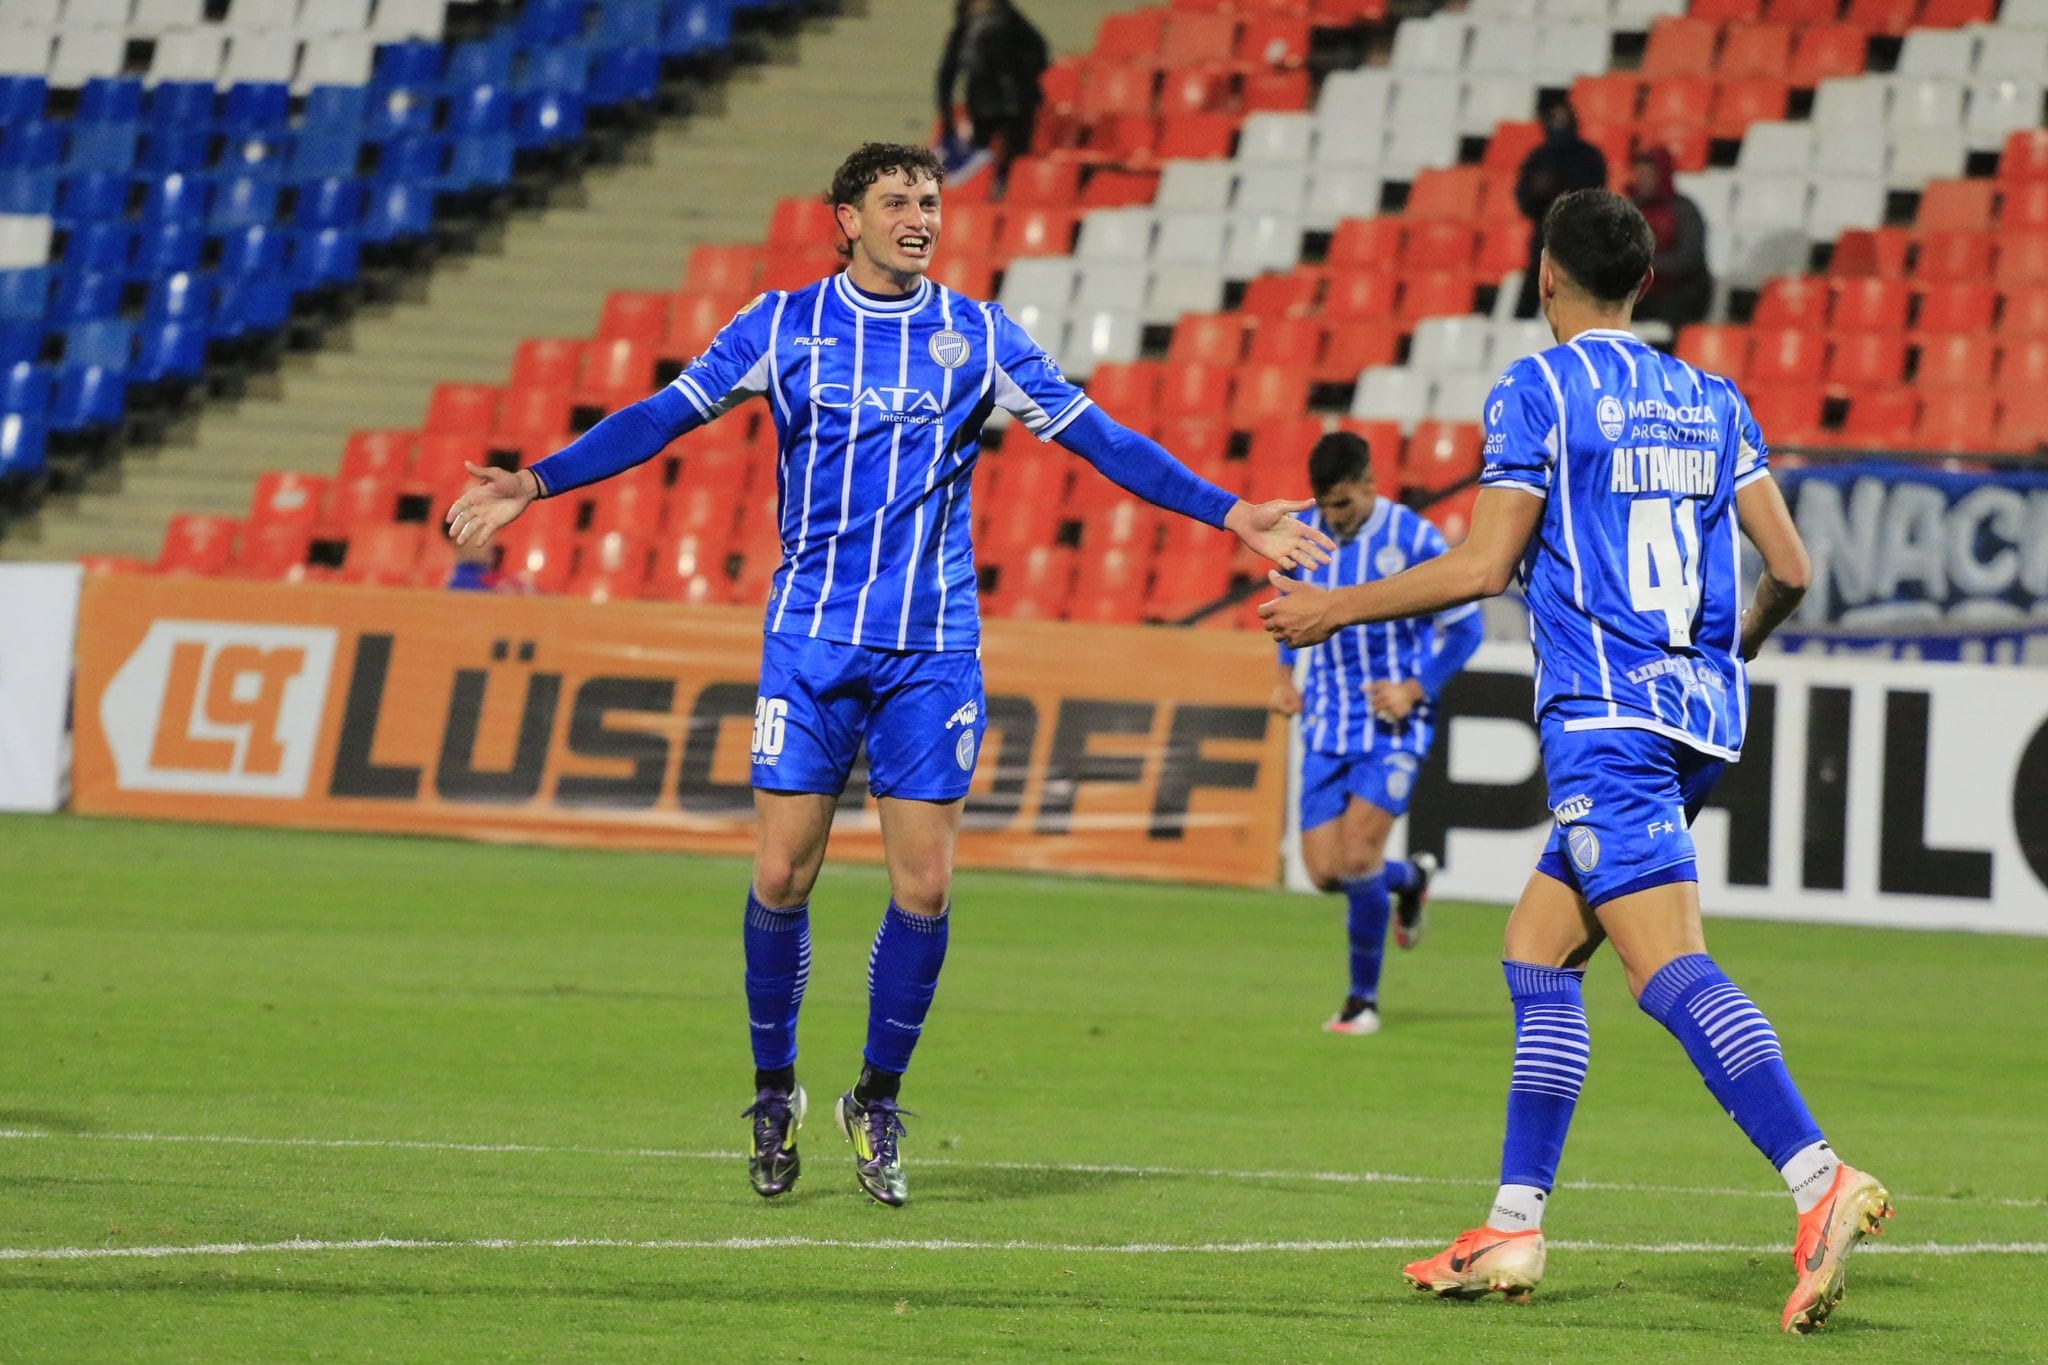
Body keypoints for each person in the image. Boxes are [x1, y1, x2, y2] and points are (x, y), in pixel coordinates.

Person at [446, 143, 1332, 1210]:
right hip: (811, 646)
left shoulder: (977, 337)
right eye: (897, 201)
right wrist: (537, 482)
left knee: (925, 886)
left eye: (930, 201)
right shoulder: (780, 326)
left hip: (931, 653)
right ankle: (773, 1093)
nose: (919, 216)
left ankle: (875, 1098)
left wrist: (1229, 512)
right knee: (781, 878)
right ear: (844, 219)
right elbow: (661, 417)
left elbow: (1103, 440)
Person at [1259, 189, 1891, 1334]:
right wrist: (1715, 659)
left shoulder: (1536, 390)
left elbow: (1483, 566)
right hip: (1696, 721)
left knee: (1665, 972)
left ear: (1543, 276)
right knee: (1537, 951)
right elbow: (1789, 566)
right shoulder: (1710, 396)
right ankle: (1511, 1224)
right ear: (1642, 284)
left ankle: (1817, 1179)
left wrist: (1332, 610)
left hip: (1605, 721)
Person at [1267, 431, 1482, 1036]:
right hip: (1326, 723)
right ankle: (1410, 881)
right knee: (1324, 872)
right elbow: (1283, 610)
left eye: (1341, 504)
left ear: (1368, 483)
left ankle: (1362, 1001)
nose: (1331, 519)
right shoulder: (1308, 536)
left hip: (1392, 724)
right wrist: (1286, 678)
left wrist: (1415, 689)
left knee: (1358, 856)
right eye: (1324, 506)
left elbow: (1466, 630)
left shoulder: (1414, 538)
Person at [935, 0, 1049, 196]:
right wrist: (946, 113)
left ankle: (1010, 194)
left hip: (1015, 101)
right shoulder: (967, 28)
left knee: (1017, 156)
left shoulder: (1012, 22)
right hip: (985, 102)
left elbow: (1039, 54)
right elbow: (948, 73)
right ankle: (985, 196)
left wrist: (1021, 77)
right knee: (981, 156)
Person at [1512, 102, 1607, 319]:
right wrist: (1537, 193)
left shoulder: (1589, 157)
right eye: (1554, 121)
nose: (1558, 127)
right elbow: (1525, 202)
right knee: (1529, 303)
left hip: (1582, 240)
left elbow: (1594, 196)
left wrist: (1558, 189)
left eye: (1563, 122)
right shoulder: (1538, 158)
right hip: (1545, 241)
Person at [1628, 146, 1713, 330]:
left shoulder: (1683, 210)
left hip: (1677, 293)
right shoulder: (1629, 210)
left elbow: (1688, 258)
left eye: (1648, 174)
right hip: (1640, 292)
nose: (1641, 180)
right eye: (1638, 174)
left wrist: (1649, 267)